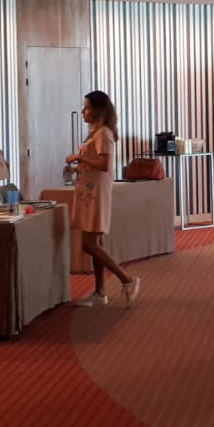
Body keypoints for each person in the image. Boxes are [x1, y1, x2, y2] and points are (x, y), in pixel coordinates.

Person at [65, 90, 141, 307]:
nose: (83, 112)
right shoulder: (95, 134)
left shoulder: (103, 134)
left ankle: (126, 279)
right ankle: (100, 291)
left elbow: (104, 164)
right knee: (94, 243)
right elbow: (94, 162)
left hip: (96, 195)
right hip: (88, 193)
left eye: (87, 108)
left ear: (98, 110)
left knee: (89, 244)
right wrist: (79, 166)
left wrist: (79, 157)